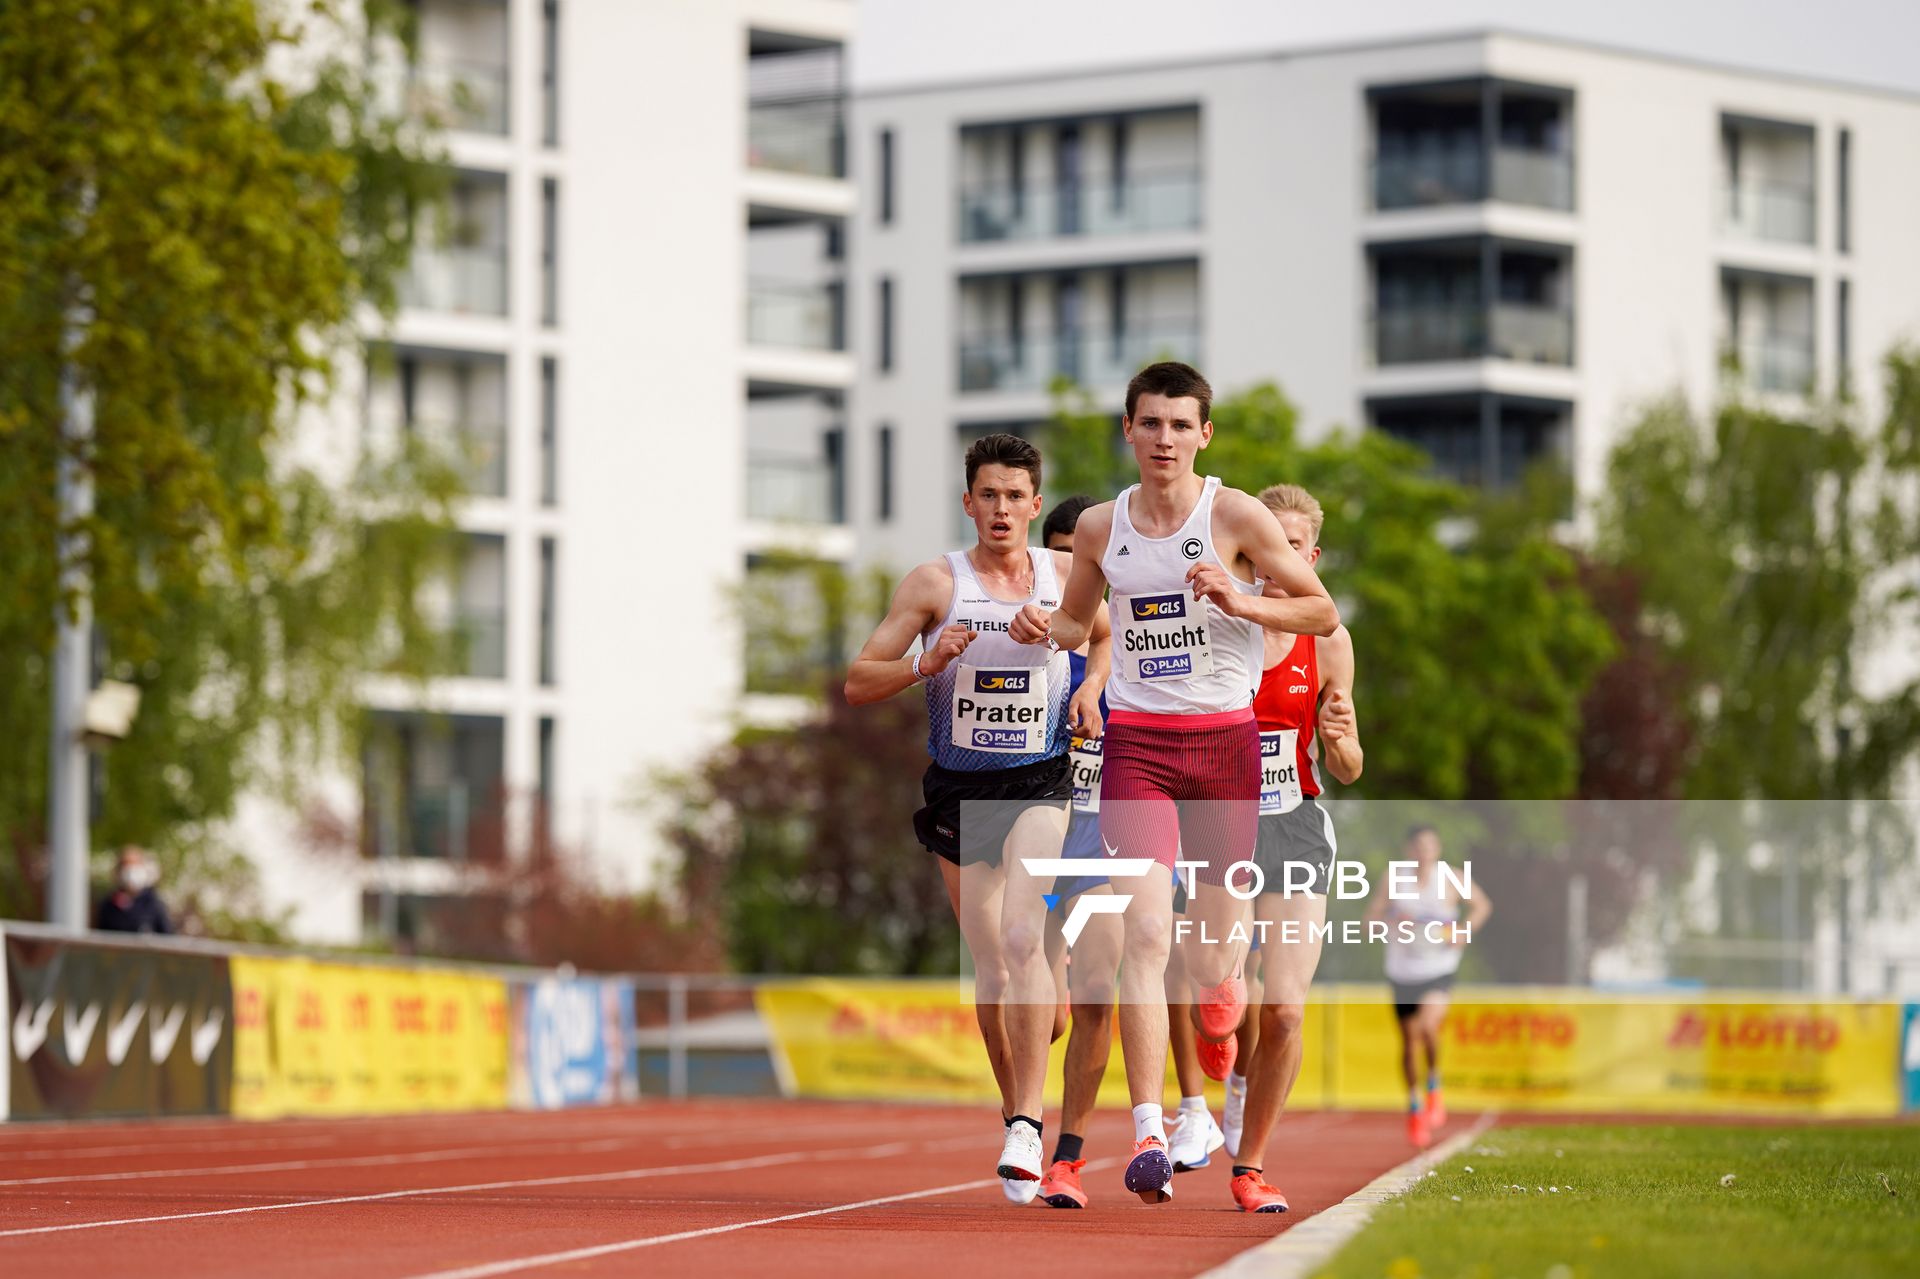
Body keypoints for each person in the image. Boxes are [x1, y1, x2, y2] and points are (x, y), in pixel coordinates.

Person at [1011, 361, 1338, 1204]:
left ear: (1204, 434)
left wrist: (1242, 599)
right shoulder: (1097, 527)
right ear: (1129, 429)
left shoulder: (1233, 513)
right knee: (1146, 935)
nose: (1164, 439)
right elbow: (1079, 623)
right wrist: (1042, 628)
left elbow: (1320, 612)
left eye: (1179, 425)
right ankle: (1152, 1129)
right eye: (1149, 423)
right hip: (1140, 749)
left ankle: (1221, 1000)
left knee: (1212, 961)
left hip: (1223, 750)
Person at [844, 435, 1109, 1203]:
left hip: (1041, 780)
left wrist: (1090, 687)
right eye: (987, 495)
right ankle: (1014, 1112)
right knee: (993, 967)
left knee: (1025, 936)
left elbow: (1106, 636)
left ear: (1035, 503)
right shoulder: (935, 582)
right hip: (959, 790)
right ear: (970, 503)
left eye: (1014, 496)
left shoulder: (1065, 575)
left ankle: (1030, 1121)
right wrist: (923, 665)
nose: (1001, 509)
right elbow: (860, 680)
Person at [1226, 483, 1363, 1213]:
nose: (1277, 560)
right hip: (1222, 823)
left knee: (1284, 1009)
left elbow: (1347, 765)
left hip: (1297, 822)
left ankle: (1250, 1163)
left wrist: (1340, 737)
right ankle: (1223, 1052)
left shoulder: (1330, 638)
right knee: (1222, 988)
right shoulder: (1223, 622)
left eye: (1294, 547)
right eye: (1264, 545)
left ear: (1312, 556)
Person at [1033, 494, 1125, 1211]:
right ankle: (1022, 1126)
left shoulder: (1127, 643)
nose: (1073, 566)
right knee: (1048, 1012)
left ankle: (1068, 1156)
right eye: (1060, 553)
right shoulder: (1027, 634)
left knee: (1098, 991)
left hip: (1099, 836)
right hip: (1032, 836)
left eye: (1083, 556)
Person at [1366, 824, 1493, 1149]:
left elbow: (1482, 905)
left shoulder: (1450, 877)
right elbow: (1370, 920)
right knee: (1409, 1041)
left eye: (1431, 846)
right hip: (1403, 969)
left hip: (1439, 966)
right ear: (1409, 849)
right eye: (1419, 846)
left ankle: (1433, 1084)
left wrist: (1465, 930)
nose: (1425, 852)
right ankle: (1414, 1105)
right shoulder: (1394, 879)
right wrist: (1392, 921)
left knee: (1428, 1027)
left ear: (1437, 849)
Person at [95, 846, 173, 934]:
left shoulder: (154, 903)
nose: (131, 872)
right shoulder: (109, 905)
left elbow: (168, 936)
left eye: (135, 866)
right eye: (126, 868)